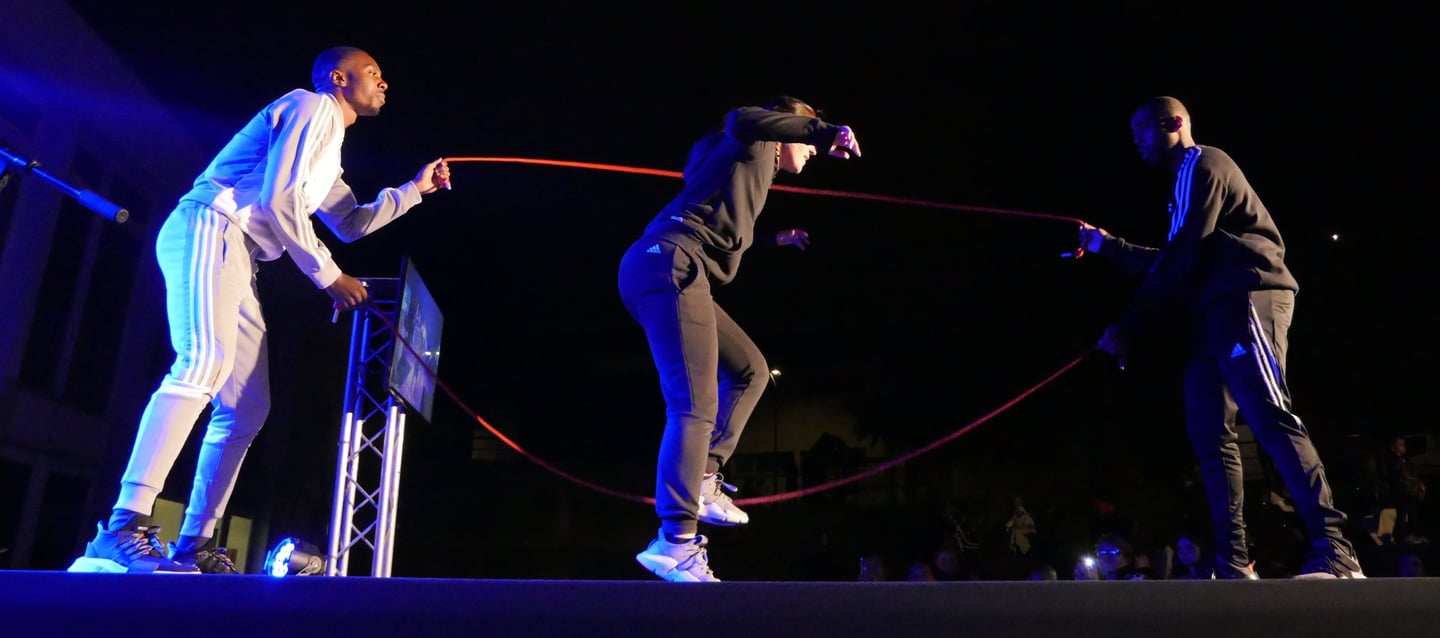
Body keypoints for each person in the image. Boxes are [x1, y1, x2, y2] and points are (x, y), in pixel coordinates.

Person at [67, 46, 452, 574]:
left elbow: (350, 222)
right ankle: (122, 526)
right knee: (202, 362)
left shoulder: (328, 148)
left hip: (239, 255)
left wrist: (414, 190)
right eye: (373, 74)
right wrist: (329, 276)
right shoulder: (310, 106)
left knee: (247, 405)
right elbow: (278, 200)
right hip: (211, 227)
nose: (384, 84)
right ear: (339, 79)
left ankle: (195, 543)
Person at [1079, 96, 1362, 579]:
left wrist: (1128, 326)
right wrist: (1106, 246)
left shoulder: (1201, 163)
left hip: (1248, 297)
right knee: (1209, 432)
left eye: (1143, 130)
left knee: (1271, 417)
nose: (1137, 141)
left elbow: (1183, 253)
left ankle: (1336, 552)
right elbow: (1175, 260)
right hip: (1212, 313)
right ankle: (1234, 561)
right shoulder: (1182, 189)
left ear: (1175, 123)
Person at [621, 96, 860, 582]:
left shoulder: (750, 173)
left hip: (671, 267)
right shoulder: (754, 139)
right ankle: (675, 541)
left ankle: (705, 476)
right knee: (694, 402)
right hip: (670, 262)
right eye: (804, 135)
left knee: (750, 369)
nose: (810, 152)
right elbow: (742, 118)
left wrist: (775, 240)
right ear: (789, 126)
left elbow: (725, 230)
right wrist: (824, 131)